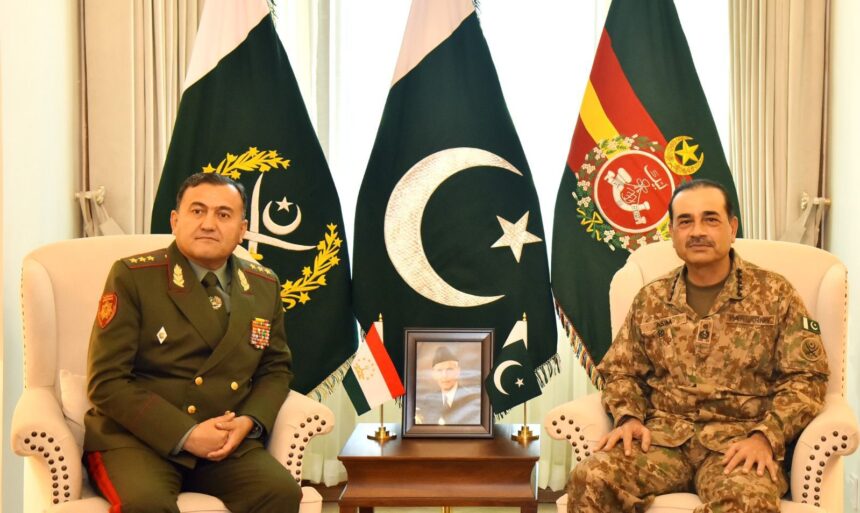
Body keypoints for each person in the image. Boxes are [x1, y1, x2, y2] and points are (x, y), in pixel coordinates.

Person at [567, 179, 829, 513]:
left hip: (738, 444)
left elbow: (807, 379)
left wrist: (766, 436)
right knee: (591, 476)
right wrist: (628, 416)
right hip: (661, 440)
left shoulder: (775, 294)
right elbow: (621, 371)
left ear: (732, 228)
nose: (697, 231)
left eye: (711, 219)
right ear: (673, 233)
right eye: (685, 221)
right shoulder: (652, 298)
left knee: (747, 501)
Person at [83, 172, 301, 513]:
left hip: (223, 442)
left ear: (242, 229)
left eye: (223, 214)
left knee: (280, 492)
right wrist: (187, 434)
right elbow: (106, 381)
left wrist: (248, 422)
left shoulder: (263, 285)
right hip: (140, 438)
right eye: (197, 211)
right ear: (175, 220)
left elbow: (275, 369)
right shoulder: (133, 276)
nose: (209, 224)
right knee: (146, 505)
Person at [415, 346, 481, 425]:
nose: (444, 375)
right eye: (439, 370)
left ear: (458, 371)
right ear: (433, 374)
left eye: (449, 369)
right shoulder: (427, 401)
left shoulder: (471, 399)